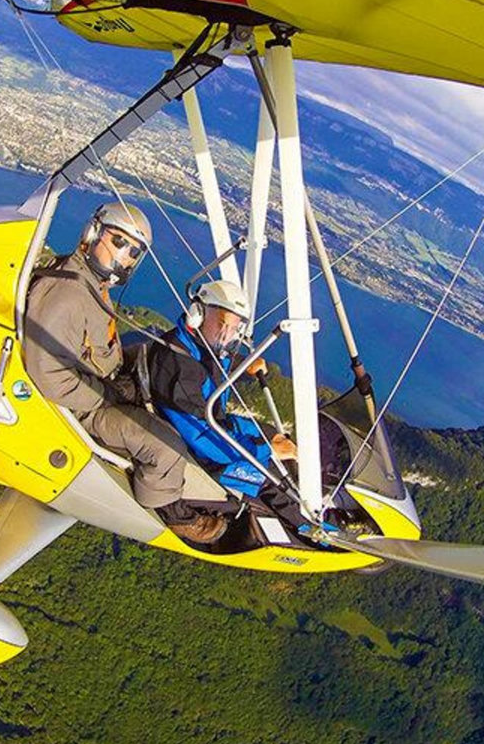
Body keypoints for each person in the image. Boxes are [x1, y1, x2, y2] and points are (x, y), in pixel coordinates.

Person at [22, 201, 224, 543]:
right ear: (93, 232)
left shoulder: (88, 282)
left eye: (134, 251)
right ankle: (172, 511)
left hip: (100, 382)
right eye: (118, 242)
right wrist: (108, 394)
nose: (125, 257)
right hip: (84, 408)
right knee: (166, 448)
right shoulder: (68, 295)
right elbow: (49, 375)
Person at [146, 279, 302, 531]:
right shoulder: (178, 364)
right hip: (202, 451)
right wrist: (266, 451)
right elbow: (202, 437)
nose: (226, 334)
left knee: (271, 433)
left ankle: (306, 484)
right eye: (221, 323)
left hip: (212, 424)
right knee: (270, 478)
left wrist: (244, 363)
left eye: (234, 327)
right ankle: (308, 527)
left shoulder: (198, 346)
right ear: (197, 314)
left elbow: (214, 366)